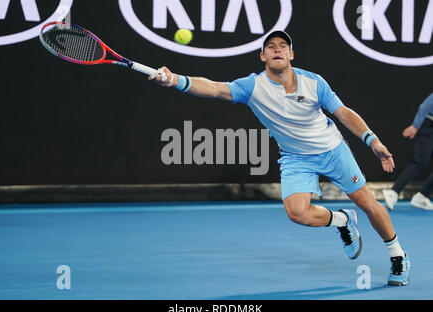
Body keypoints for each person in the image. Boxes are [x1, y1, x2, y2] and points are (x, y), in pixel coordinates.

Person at [149, 30, 410, 286]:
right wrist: (176, 80)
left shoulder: (314, 82)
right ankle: (342, 220)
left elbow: (343, 114)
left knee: (367, 203)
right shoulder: (253, 86)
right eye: (271, 46)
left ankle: (398, 255)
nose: (277, 49)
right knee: (297, 213)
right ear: (262, 55)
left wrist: (372, 140)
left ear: (290, 54)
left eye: (282, 46)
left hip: (332, 151)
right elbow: (216, 89)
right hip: (296, 158)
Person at [383, 93, 433, 211]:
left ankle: (422, 196)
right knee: (420, 162)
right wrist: (415, 126)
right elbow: (425, 106)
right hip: (428, 126)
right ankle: (393, 192)